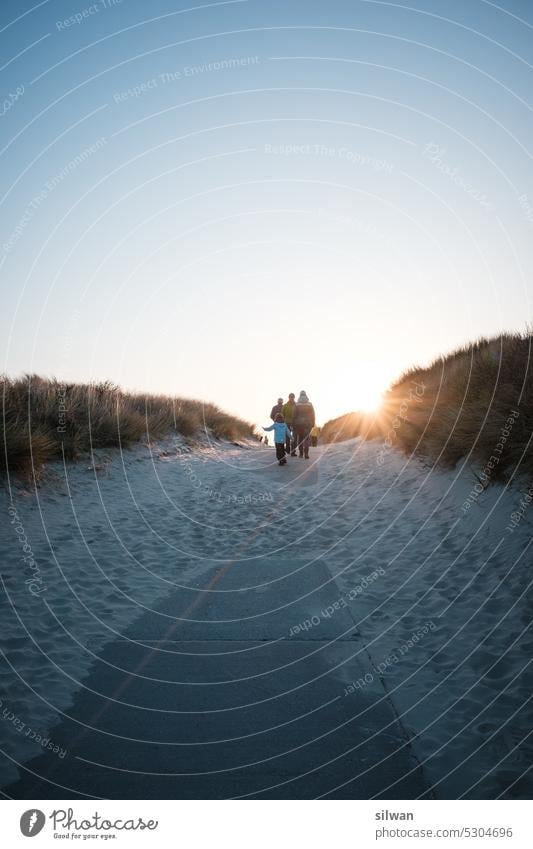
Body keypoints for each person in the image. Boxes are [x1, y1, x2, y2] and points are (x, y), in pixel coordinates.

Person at [293, 390, 316, 459]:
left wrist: (294, 424)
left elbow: (294, 414)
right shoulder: (310, 404)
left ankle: (301, 453)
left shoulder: (296, 404)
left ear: (299, 395)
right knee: (306, 438)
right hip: (307, 423)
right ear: (306, 395)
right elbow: (313, 414)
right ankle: (306, 453)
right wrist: (313, 423)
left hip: (298, 424)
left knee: (300, 439)